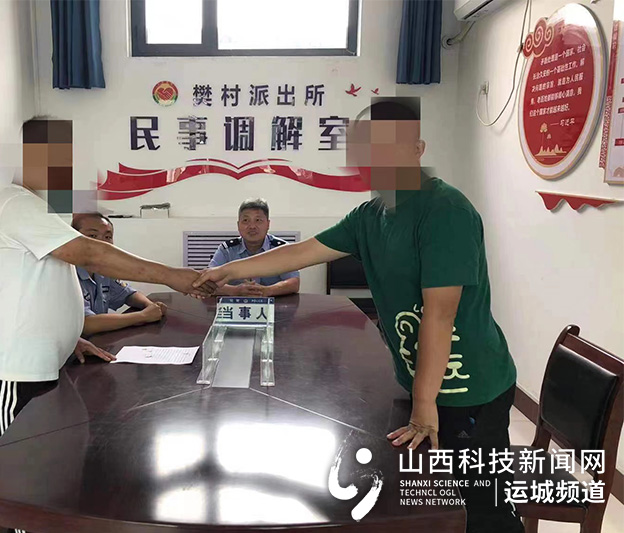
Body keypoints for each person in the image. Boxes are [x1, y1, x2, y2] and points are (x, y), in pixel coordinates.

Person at [195, 98, 523, 533]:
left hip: (470, 388)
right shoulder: (370, 215)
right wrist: (228, 270)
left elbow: (440, 316)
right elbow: (301, 252)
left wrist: (425, 405)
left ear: (417, 149)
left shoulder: (446, 211)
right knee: (426, 501)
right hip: (419, 378)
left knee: (481, 510)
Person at [0, 116, 215, 443]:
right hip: (14, 368)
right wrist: (171, 276)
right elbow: (89, 253)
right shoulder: (16, 204)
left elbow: (44, 284)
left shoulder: (38, 208)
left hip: (46, 359)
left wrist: (68, 337)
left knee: (41, 452)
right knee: (10, 457)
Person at [71, 213, 168, 336]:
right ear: (73, 239)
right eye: (92, 236)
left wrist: (150, 306)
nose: (102, 243)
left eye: (107, 237)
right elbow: (85, 325)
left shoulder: (103, 270)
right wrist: (142, 316)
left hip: (97, 341)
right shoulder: (67, 274)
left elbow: (127, 294)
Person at [207, 198, 299, 297]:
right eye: (246, 220)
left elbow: (294, 283)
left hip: (274, 304)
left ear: (268, 224)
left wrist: (267, 291)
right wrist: (235, 291)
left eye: (258, 220)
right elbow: (207, 282)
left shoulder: (281, 249)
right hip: (235, 304)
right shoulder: (227, 250)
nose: (252, 226)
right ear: (238, 225)